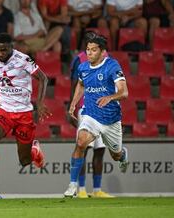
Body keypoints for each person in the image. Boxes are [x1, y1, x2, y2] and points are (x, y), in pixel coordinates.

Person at [0, 32, 52, 198]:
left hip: (24, 113)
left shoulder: (23, 60)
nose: (0, 54)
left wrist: (39, 102)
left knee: (24, 161)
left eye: (3, 50)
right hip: (4, 110)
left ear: (11, 47)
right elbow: (3, 79)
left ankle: (34, 151)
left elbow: (43, 78)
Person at [64, 34, 129, 198]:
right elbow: (80, 84)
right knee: (81, 142)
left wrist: (110, 97)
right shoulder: (83, 67)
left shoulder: (112, 65)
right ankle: (73, 185)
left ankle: (122, 155)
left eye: (94, 50)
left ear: (102, 52)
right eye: (88, 50)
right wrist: (73, 104)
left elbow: (124, 92)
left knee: (115, 155)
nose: (90, 53)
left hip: (111, 118)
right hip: (90, 114)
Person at [69, 31, 114, 198]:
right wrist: (71, 107)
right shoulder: (79, 59)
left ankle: (97, 190)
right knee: (83, 148)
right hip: (85, 109)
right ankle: (80, 189)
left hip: (102, 110)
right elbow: (75, 84)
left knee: (100, 150)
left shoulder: (106, 57)